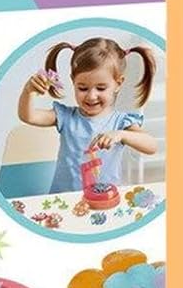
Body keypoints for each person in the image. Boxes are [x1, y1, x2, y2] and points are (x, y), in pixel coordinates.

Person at [18, 36, 159, 195]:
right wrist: (28, 92)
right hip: (65, 198)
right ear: (73, 81)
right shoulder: (66, 117)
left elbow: (151, 146)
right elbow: (28, 116)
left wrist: (121, 134)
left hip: (106, 199)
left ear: (118, 84)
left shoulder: (121, 122)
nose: (91, 96)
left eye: (101, 88)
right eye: (83, 88)